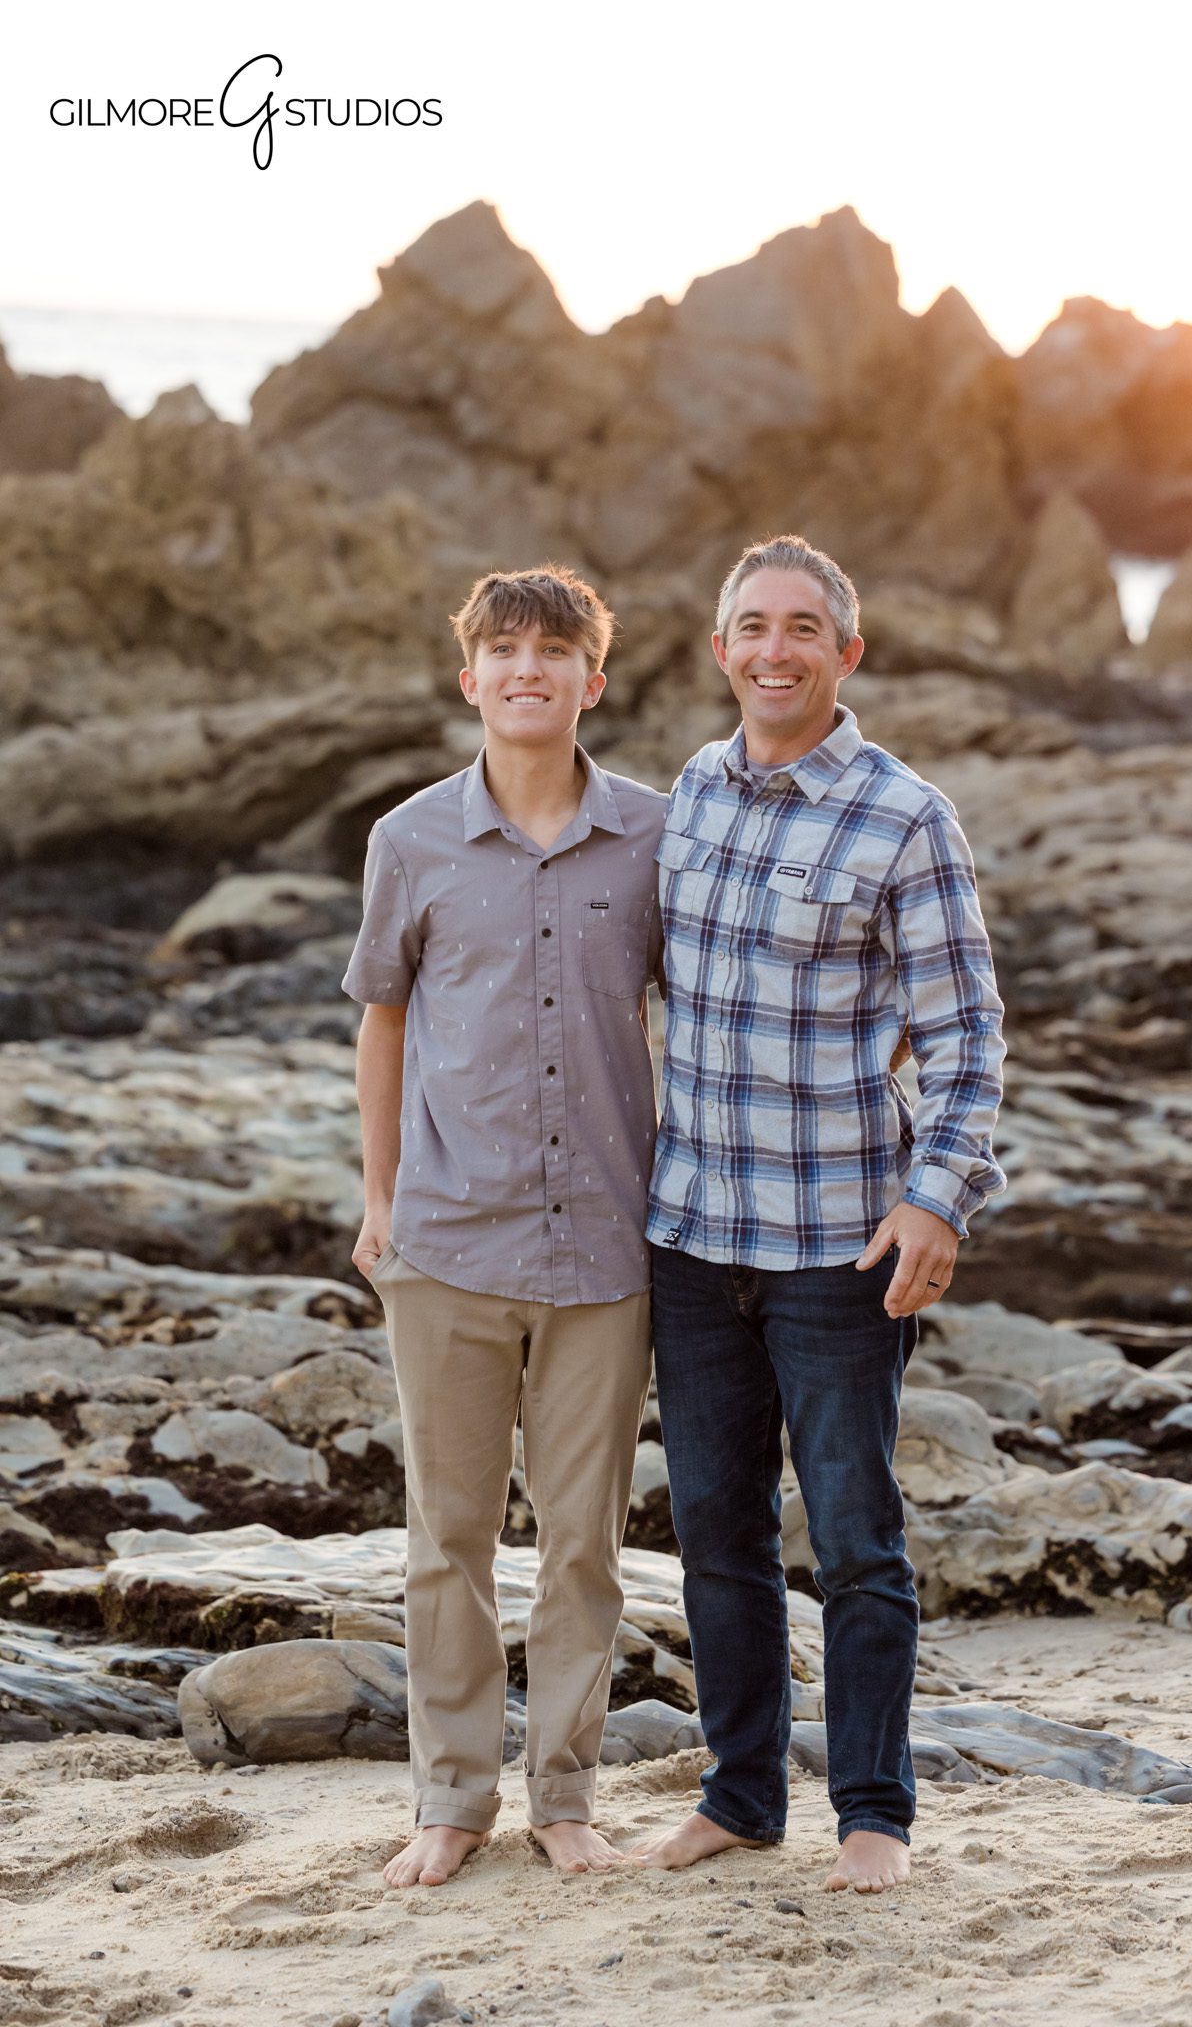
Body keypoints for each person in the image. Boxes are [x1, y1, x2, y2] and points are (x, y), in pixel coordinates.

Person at [635, 535, 1007, 1893]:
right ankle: (738, 1797)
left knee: (854, 1537)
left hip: (839, 1247)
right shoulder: (688, 792)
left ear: (845, 654)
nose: (774, 649)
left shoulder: (904, 816)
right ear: (720, 649)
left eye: (803, 628)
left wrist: (936, 1203)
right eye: (752, 626)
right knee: (714, 1532)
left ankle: (872, 1816)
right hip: (689, 1236)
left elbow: (965, 1039)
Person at [342, 565, 666, 1885]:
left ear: (594, 679)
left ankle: (568, 1797)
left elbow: (699, 1019)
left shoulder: (655, 837)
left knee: (584, 1542)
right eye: (504, 652)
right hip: (446, 1244)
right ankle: (451, 1800)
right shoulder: (408, 841)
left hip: (606, 1251)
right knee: (449, 1539)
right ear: (469, 677)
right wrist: (376, 1202)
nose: (527, 671)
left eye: (555, 651)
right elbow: (383, 1018)